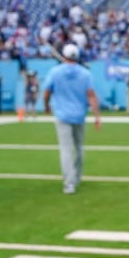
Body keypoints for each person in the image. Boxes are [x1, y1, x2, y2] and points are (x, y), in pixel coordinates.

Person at [42, 44, 101, 194]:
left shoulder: (55, 72)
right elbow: (91, 95)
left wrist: (46, 106)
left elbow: (47, 92)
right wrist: (96, 116)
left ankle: (69, 182)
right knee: (79, 148)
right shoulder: (85, 73)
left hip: (62, 114)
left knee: (66, 150)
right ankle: (77, 177)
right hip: (79, 115)